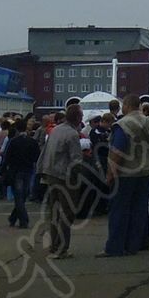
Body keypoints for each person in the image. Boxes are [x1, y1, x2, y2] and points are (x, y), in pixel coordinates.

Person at [102, 96, 149, 257]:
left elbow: (117, 151)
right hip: (146, 171)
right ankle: (136, 244)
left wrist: (110, 174)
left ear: (126, 105)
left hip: (126, 173)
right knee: (140, 209)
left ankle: (115, 247)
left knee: (119, 210)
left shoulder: (123, 124)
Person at [38, 99, 90, 257]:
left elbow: (45, 152)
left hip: (50, 175)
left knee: (54, 212)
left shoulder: (56, 130)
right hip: (66, 178)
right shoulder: (72, 134)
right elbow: (76, 160)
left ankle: (54, 246)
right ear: (79, 119)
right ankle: (62, 248)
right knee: (67, 213)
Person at [3, 118, 41, 230]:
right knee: (23, 195)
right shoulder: (32, 141)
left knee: (19, 196)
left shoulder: (13, 142)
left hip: (16, 170)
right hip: (28, 170)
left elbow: (7, 157)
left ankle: (21, 219)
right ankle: (15, 218)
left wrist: (3, 170)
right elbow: (37, 156)